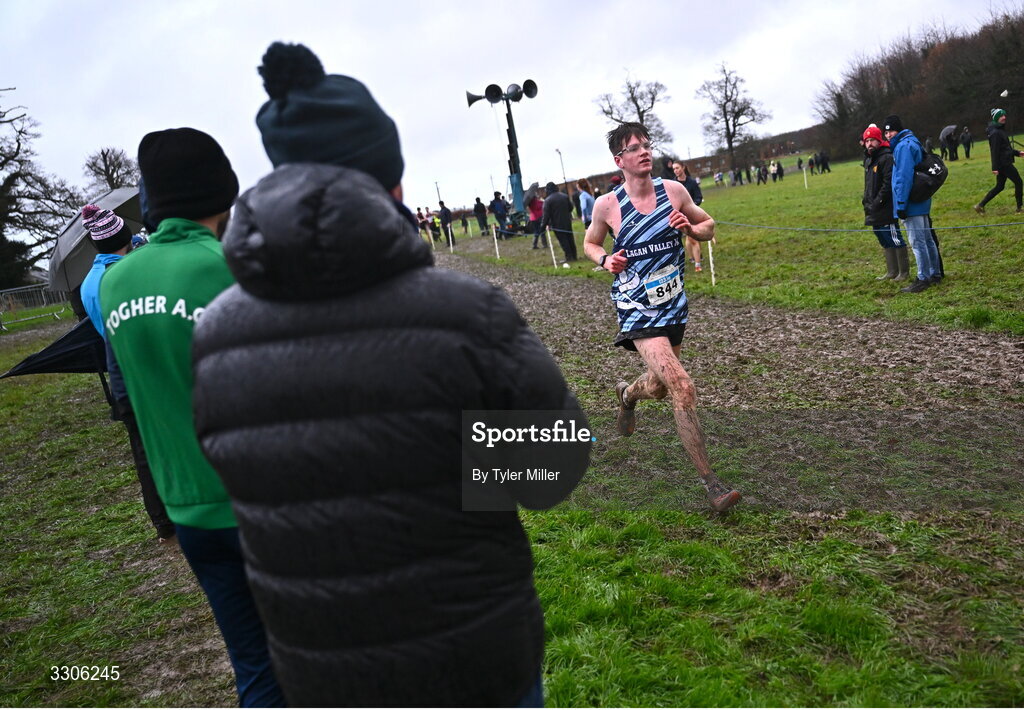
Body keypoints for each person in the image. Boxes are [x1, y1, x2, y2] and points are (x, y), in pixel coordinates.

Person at [190, 41, 586, 708]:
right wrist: (446, 458)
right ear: (394, 185)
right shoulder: (464, 313)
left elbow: (247, 474)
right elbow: (553, 469)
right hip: (476, 664)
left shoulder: (215, 333)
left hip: (322, 677)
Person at [100, 128, 284, 706]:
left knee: (254, 665)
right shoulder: (232, 267)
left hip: (185, 505)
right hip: (262, 504)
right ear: (222, 188)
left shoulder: (114, 282)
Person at [583, 122, 741, 513]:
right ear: (619, 160)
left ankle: (627, 394)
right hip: (637, 308)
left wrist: (691, 228)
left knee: (657, 386)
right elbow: (590, 242)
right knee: (682, 386)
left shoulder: (674, 191)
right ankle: (712, 486)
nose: (644, 152)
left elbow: (708, 225)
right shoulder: (608, 205)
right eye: (634, 148)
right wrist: (605, 259)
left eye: (646, 145)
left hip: (673, 305)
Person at [78, 204, 175, 543]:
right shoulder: (123, 276)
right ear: (122, 237)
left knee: (143, 450)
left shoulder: (90, 281)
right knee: (162, 445)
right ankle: (174, 517)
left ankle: (164, 522)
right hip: (145, 367)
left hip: (121, 369)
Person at [883, 114, 941, 293]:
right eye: (886, 132)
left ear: (898, 130)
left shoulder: (903, 146)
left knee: (918, 242)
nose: (888, 135)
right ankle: (934, 273)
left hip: (911, 201)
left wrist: (900, 204)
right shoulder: (912, 141)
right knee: (927, 239)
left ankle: (923, 278)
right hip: (921, 199)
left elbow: (904, 177)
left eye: (891, 130)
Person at [861, 126, 909, 282]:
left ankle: (903, 272)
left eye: (872, 140)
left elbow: (888, 183)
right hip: (872, 208)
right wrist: (867, 201)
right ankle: (891, 271)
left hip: (886, 207)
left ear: (879, 140)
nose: (869, 144)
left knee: (894, 238)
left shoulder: (886, 157)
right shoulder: (869, 159)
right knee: (882, 237)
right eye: (867, 141)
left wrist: (878, 201)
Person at [974, 108, 1024, 215]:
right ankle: (1019, 208)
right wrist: (994, 167)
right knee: (1019, 182)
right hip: (1004, 164)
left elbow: (1005, 148)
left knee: (1000, 186)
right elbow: (995, 151)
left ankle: (980, 205)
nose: (1004, 117)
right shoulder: (996, 133)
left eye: (1004, 115)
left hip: (1003, 162)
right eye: (1001, 116)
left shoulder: (1000, 130)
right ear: (996, 118)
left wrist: (1018, 153)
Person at [671, 161, 711, 273]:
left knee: (693, 239)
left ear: (683, 168)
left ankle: (698, 264)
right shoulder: (673, 184)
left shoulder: (692, 182)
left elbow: (699, 197)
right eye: (674, 169)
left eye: (677, 168)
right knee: (686, 239)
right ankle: (692, 258)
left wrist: (692, 207)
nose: (676, 171)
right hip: (677, 216)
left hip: (692, 216)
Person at [540, 181, 576, 262]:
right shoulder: (565, 196)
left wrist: (542, 227)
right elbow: (571, 207)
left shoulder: (548, 200)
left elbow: (546, 216)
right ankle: (574, 255)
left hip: (556, 224)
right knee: (570, 239)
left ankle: (569, 257)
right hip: (567, 221)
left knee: (563, 241)